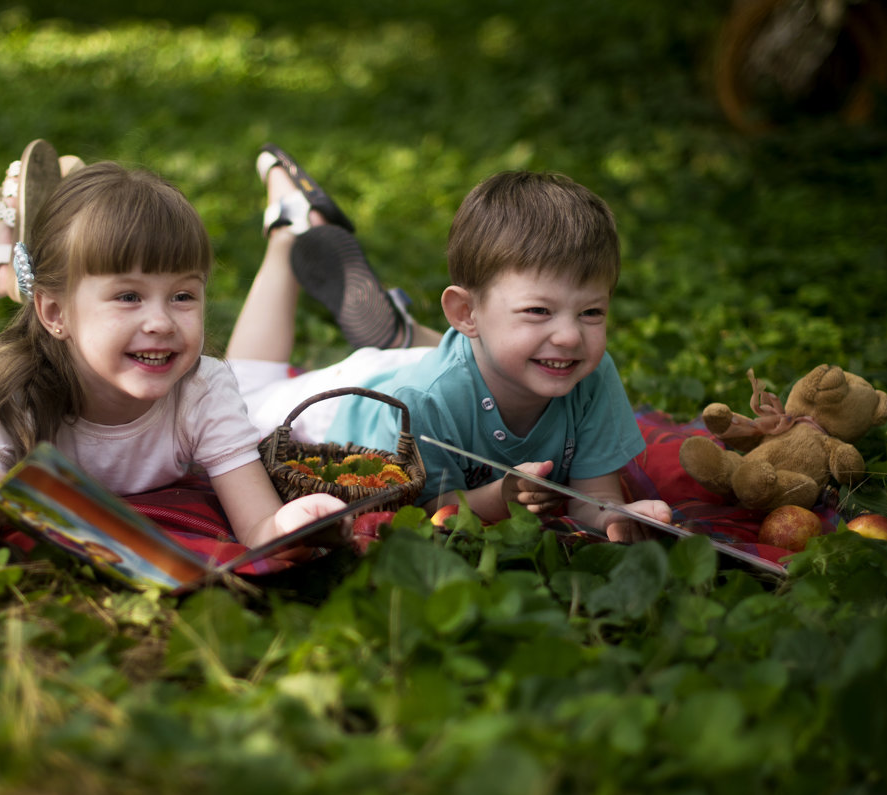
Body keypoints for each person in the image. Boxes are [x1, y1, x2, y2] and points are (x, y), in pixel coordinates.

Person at [0, 140, 346, 548]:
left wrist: (292, 522)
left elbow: (259, 523)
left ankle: (31, 251)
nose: (161, 322)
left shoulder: (204, 390)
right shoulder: (7, 388)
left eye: (183, 296)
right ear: (55, 315)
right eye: (129, 296)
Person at [225, 145, 672, 542]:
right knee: (236, 389)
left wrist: (620, 517)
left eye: (591, 313)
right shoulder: (422, 403)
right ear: (464, 314)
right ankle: (288, 231)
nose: (571, 336)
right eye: (539, 310)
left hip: (457, 362)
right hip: (353, 400)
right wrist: (500, 497)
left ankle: (404, 335)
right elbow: (420, 513)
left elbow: (593, 498)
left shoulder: (591, 375)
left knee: (475, 363)